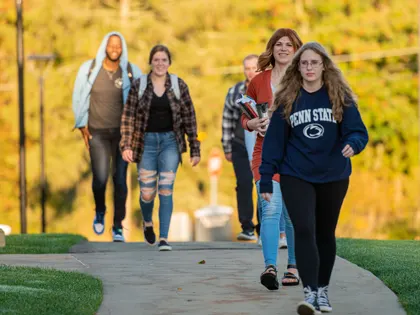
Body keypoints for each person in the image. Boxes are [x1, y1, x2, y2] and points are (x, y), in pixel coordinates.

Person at [259, 42, 368, 314]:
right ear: (298, 67)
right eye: (304, 63)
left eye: (314, 63)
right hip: (296, 174)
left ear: (324, 66)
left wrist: (352, 144)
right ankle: (309, 293)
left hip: (333, 174)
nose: (308, 68)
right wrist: (264, 177)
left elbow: (358, 132)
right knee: (304, 229)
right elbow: (274, 142)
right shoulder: (288, 99)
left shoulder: (339, 97)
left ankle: (322, 291)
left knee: (324, 233)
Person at [120, 44, 201, 251]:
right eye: (156, 59)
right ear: (150, 62)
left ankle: (164, 238)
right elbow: (128, 116)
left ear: (169, 63)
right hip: (145, 143)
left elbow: (189, 117)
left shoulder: (178, 85)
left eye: (164, 60)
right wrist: (126, 144)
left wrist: (194, 148)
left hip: (170, 143)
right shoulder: (139, 85)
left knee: (166, 188)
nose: (160, 63)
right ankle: (148, 221)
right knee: (147, 193)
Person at [242, 28, 303, 289]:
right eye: (279, 44)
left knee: (291, 215)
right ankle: (270, 268)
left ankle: (293, 266)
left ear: (296, 49)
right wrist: (252, 123)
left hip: (297, 156)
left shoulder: (305, 79)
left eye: (289, 44)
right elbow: (244, 116)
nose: (283, 48)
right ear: (272, 48)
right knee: (269, 208)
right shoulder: (258, 81)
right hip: (265, 154)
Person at [72, 32, 142, 242]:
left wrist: (136, 131)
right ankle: (100, 210)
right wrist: (82, 125)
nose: (114, 49)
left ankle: (118, 226)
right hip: (98, 133)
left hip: (123, 136)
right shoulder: (89, 69)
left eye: (118, 46)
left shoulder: (131, 71)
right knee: (100, 178)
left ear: (123, 49)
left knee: (120, 180)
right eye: (111, 45)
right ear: (104, 46)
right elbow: (78, 96)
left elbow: (141, 101)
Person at [221, 54, 261, 241]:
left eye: (254, 67)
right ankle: (247, 227)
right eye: (247, 68)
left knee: (263, 184)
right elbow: (227, 119)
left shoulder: (268, 89)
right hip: (239, 145)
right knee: (244, 184)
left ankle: (265, 226)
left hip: (262, 145)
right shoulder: (235, 91)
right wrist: (227, 147)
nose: (250, 71)